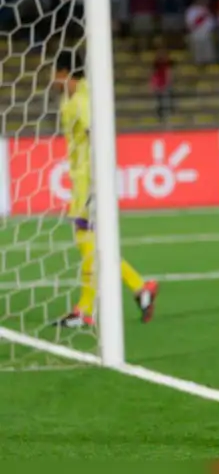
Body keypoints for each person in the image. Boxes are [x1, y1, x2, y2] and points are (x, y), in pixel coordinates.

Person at [51, 51, 158, 328]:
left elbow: (95, 136)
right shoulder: (72, 99)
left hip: (90, 183)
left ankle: (85, 309)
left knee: (88, 244)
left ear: (64, 74)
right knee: (92, 245)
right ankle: (139, 287)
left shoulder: (82, 102)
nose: (52, 80)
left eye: (55, 73)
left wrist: (98, 185)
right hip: (82, 182)